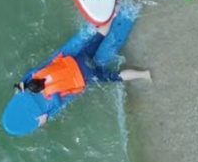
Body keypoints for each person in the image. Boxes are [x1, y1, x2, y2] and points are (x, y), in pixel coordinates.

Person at [15, 30, 151, 125]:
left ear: (40, 90)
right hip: (80, 59)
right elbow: (30, 71)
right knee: (99, 37)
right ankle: (110, 17)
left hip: (88, 73)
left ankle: (144, 74)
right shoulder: (39, 73)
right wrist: (23, 82)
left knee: (116, 77)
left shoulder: (52, 92)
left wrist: (46, 115)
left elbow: (57, 104)